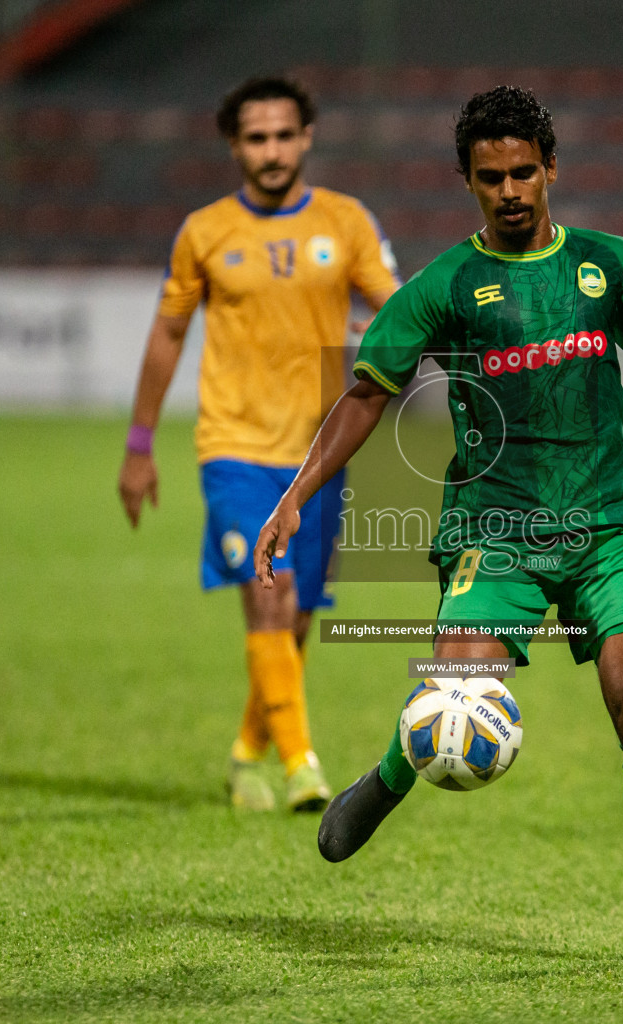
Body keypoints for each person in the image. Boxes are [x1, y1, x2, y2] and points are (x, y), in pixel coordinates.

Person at [253, 85, 623, 968]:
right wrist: (297, 492)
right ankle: (394, 773)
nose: (512, 189)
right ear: (469, 182)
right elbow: (366, 394)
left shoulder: (608, 265)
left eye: (526, 171)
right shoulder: (447, 286)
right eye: (493, 178)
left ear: (552, 168)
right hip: (497, 529)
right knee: (455, 695)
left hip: (610, 526)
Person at [119, 75, 400, 813]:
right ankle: (304, 766)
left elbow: (397, 307)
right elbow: (168, 334)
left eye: (283, 135)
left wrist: (386, 338)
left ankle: (248, 753)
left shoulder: (346, 223)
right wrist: (139, 444)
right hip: (233, 447)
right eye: (256, 137)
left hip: (316, 455)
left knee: (297, 617)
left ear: (306, 137)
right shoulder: (204, 233)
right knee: (267, 597)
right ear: (234, 144)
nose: (271, 150)